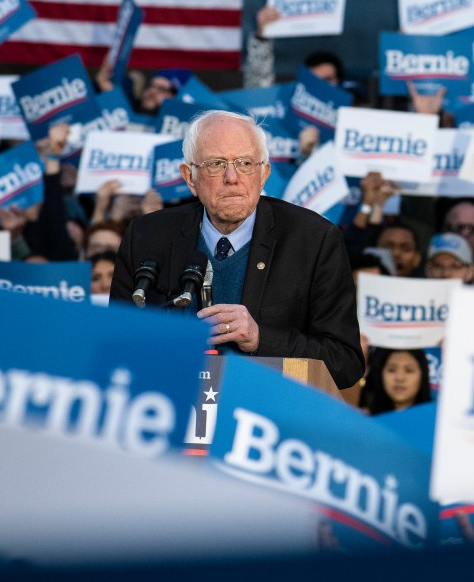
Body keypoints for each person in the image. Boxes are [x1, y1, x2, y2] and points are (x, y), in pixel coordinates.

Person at [110, 110, 363, 388]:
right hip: (168, 409)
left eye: (245, 163)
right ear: (189, 177)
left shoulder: (314, 240)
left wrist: (260, 338)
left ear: (264, 173)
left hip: (262, 418)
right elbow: (113, 342)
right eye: (216, 164)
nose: (232, 177)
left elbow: (345, 362)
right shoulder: (146, 236)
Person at [361, 347, 432, 416]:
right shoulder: (366, 421)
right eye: (391, 370)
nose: (399, 378)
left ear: (423, 375)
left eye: (409, 370)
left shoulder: (438, 423)